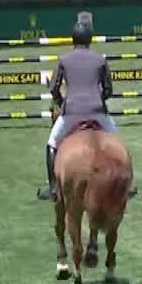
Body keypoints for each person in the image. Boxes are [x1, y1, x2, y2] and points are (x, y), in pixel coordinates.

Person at [39, 15, 117, 204]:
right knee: (116, 142)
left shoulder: (63, 59)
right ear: (90, 39)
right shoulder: (100, 59)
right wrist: (98, 100)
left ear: (72, 39)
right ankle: (125, 183)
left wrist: (62, 103)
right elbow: (108, 89)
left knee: (52, 143)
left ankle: (53, 187)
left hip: (71, 111)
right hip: (97, 110)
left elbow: (53, 88)